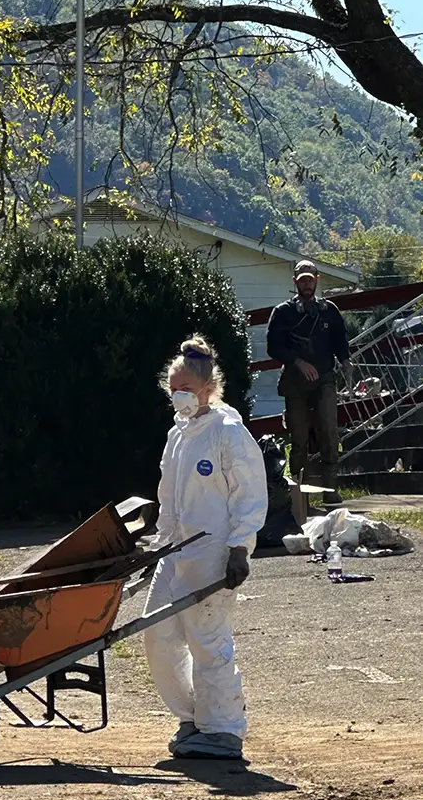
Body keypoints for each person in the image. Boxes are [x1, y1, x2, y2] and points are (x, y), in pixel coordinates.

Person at [144, 337, 268, 761]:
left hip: (213, 552)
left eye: (184, 388)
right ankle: (192, 718)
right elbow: (168, 496)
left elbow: (249, 493)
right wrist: (158, 545)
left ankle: (224, 731)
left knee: (208, 640)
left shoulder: (228, 432)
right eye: (172, 388)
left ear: (206, 387)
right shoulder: (178, 435)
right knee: (157, 634)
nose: (177, 396)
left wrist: (240, 548)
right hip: (176, 552)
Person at [266, 260, 351, 504]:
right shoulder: (282, 312)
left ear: (317, 280)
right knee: (299, 435)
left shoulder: (330, 311)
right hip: (295, 380)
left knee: (328, 429)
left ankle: (330, 488)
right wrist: (298, 362)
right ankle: (297, 491)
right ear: (295, 281)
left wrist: (345, 360)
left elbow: (340, 340)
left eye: (310, 279)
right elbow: (274, 347)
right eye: (302, 279)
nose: (306, 283)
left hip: (324, 377)